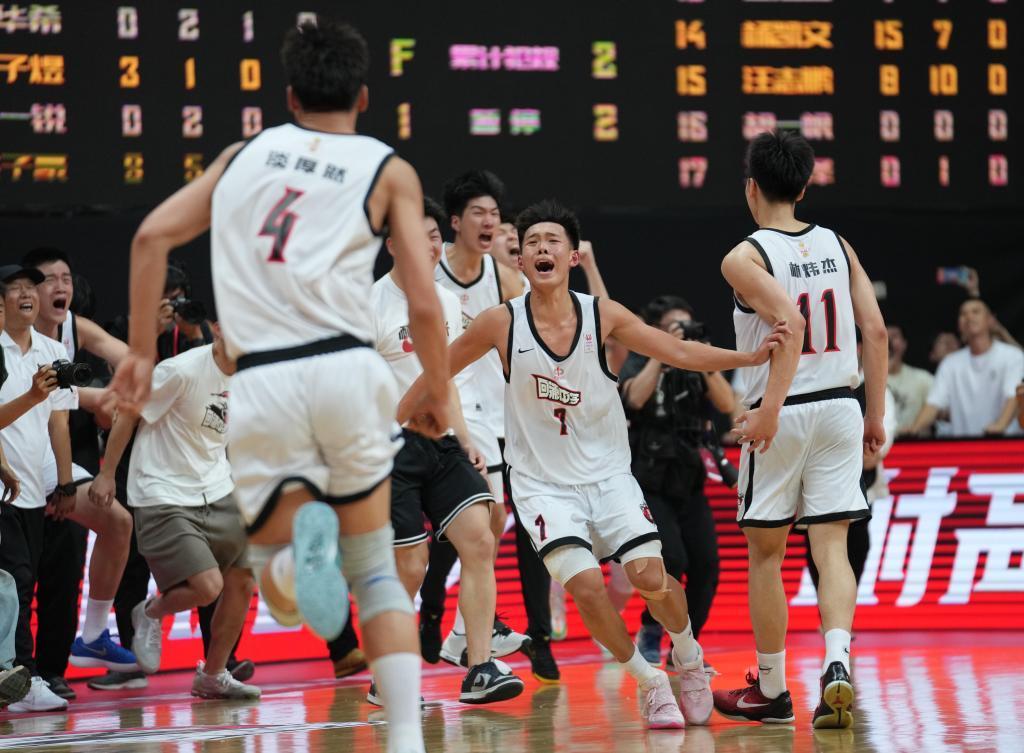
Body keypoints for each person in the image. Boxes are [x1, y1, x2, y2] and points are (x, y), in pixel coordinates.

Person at [109, 19, 449, 753]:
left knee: (281, 581)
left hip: (262, 379)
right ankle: (405, 739)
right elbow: (424, 303)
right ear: (363, 96)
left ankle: (293, 562)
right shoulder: (388, 168)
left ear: (290, 95)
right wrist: (440, 390)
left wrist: (138, 350)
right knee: (375, 568)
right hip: (348, 369)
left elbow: (149, 237)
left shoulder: (242, 156)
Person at [400, 199, 784, 729]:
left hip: (608, 477)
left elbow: (677, 352)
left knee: (651, 577)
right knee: (585, 587)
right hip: (542, 486)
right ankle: (649, 682)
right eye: (532, 243)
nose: (541, 249)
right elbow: (437, 369)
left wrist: (747, 358)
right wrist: (396, 422)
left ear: (573, 256)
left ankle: (689, 656)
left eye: (552, 241)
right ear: (521, 261)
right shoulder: (500, 322)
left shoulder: (602, 315)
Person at [712, 130, 887, 730]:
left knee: (767, 554)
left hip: (783, 413)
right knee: (831, 546)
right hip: (841, 406)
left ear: (751, 188)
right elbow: (876, 331)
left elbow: (788, 322)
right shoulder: (838, 245)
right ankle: (837, 660)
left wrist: (769, 408)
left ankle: (771, 689)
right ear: (804, 188)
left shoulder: (744, 257)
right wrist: (875, 414)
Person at [366, 197, 523, 704]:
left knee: (480, 537)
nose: (431, 246)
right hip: (388, 447)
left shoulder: (448, 303)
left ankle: (479, 666)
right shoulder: (369, 305)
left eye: (435, 236)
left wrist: (466, 437)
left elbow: (446, 379)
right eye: (418, 237)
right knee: (410, 566)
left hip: (444, 442)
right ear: (394, 246)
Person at [419, 169, 544, 679]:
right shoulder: (432, 275)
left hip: (495, 413)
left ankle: (458, 626)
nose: (489, 221)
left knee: (488, 523)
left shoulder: (504, 277)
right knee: (483, 520)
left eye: (495, 213)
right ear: (456, 222)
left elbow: (533, 338)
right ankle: (465, 628)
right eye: (479, 213)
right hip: (448, 411)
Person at [93, 327, 259, 699]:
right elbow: (129, 414)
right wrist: (107, 473)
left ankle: (213, 676)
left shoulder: (254, 378)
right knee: (208, 587)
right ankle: (151, 612)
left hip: (217, 485)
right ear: (219, 330)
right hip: (162, 488)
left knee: (244, 578)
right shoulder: (180, 371)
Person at [0, 265, 138, 712]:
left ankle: (85, 639)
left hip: (33, 476)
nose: (27, 294)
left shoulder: (51, 348)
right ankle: (21, 678)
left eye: (30, 287)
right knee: (16, 581)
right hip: (3, 479)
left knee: (28, 578)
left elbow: (59, 421)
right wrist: (33, 397)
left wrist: (63, 482)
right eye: (16, 289)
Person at [620, 296, 732, 667]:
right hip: (650, 478)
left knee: (707, 565)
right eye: (674, 328)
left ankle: (684, 648)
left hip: (690, 476)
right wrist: (661, 352)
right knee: (671, 559)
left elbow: (727, 404)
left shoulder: (698, 362)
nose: (682, 335)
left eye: (687, 327)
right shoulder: (640, 357)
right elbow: (635, 399)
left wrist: (701, 358)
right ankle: (651, 627)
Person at [908, 299, 1023, 437]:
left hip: (1004, 443)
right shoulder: (950, 363)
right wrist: (914, 428)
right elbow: (933, 403)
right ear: (959, 325)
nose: (969, 317)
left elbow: (1014, 396)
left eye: (976, 312)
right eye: (963, 314)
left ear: (990, 320)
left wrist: (1000, 426)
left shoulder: (1012, 356)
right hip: (964, 445)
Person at [885, 324, 933, 437]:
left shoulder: (923, 378)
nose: (889, 342)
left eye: (894, 336)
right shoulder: (864, 379)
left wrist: (915, 428)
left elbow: (939, 406)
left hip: (914, 444)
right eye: (885, 336)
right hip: (879, 445)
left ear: (904, 344)